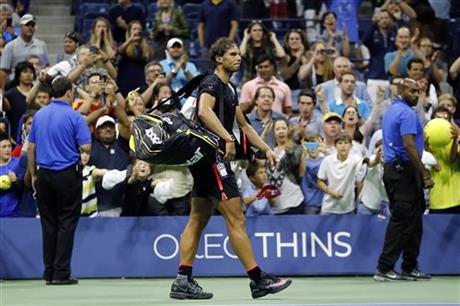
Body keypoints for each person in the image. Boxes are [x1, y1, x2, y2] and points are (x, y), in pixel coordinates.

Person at [169, 37, 291, 300]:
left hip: (205, 162)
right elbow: (203, 111)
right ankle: (258, 280)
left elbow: (245, 126)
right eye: (233, 54)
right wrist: (226, 137)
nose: (239, 57)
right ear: (218, 58)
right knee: (236, 218)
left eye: (239, 53)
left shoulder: (230, 89)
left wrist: (267, 149)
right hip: (212, 160)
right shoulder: (211, 83)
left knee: (198, 218)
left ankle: (182, 280)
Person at [27, 76, 92, 285]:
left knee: (48, 224)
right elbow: (87, 147)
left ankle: (48, 272)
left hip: (44, 174)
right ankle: (61, 273)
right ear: (69, 92)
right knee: (66, 223)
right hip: (67, 175)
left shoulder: (39, 115)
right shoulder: (74, 116)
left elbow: (31, 148)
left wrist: (34, 175)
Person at [374, 78, 434, 282]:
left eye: (418, 91)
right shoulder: (407, 113)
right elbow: (409, 145)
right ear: (400, 90)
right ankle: (384, 268)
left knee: (414, 219)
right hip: (404, 171)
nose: (416, 94)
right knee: (401, 220)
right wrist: (424, 173)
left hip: (397, 170)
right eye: (412, 91)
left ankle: (410, 266)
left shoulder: (392, 109)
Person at [317, 132, 364, 215]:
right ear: (335, 146)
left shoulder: (356, 159)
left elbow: (365, 164)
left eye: (346, 143)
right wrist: (330, 191)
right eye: (340, 143)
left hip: (348, 209)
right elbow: (320, 181)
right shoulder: (327, 160)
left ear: (351, 146)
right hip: (328, 209)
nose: (343, 146)